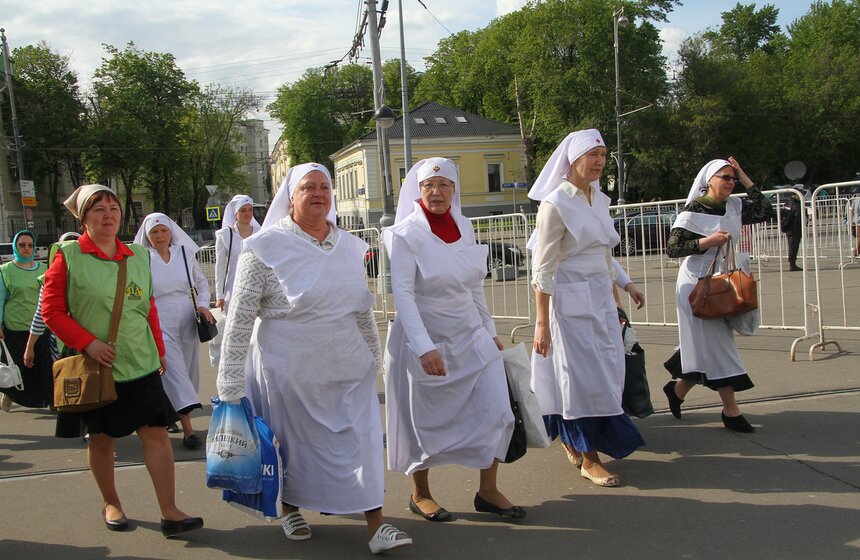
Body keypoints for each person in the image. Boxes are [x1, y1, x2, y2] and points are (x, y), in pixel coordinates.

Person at [216, 163, 411, 554]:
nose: (318, 194)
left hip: (348, 365)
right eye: (309, 187)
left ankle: (376, 525)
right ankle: (291, 508)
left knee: (365, 442)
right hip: (290, 369)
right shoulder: (264, 247)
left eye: (325, 187)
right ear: (291, 196)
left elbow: (361, 308)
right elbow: (239, 319)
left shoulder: (351, 245)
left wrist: (376, 357)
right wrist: (229, 383)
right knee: (295, 447)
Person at [42, 184, 203, 536]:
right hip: (98, 367)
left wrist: (159, 349)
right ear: (84, 218)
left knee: (157, 434)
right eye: (98, 209)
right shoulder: (68, 256)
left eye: (113, 208)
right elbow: (51, 312)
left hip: (141, 362)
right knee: (102, 439)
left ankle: (169, 511)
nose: (108, 214)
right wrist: (88, 344)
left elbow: (148, 308)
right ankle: (111, 502)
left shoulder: (137, 256)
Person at [384, 158, 524, 522]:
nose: (437, 192)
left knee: (497, 410)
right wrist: (424, 346)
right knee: (425, 420)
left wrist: (490, 331)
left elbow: (475, 284)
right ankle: (420, 493)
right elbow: (403, 294)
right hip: (426, 335)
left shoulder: (464, 224)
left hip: (470, 332)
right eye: (429, 186)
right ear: (418, 190)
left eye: (444, 185)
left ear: (454, 190)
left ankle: (488, 489)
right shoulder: (405, 233)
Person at [529, 129, 646, 488]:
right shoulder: (555, 204)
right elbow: (543, 270)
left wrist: (626, 284)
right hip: (567, 302)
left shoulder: (600, 199)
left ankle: (578, 441)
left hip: (600, 300)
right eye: (592, 155)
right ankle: (589, 457)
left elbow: (604, 253)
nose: (598, 162)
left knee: (608, 372)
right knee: (579, 379)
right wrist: (542, 324)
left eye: (603, 155)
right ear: (573, 160)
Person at [663, 158, 775, 433]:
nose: (730, 182)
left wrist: (745, 176)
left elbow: (765, 210)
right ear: (709, 180)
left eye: (732, 178)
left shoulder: (735, 205)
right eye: (724, 177)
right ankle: (731, 410)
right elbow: (674, 248)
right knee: (719, 344)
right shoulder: (695, 209)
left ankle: (677, 391)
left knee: (705, 346)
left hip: (726, 281)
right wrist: (707, 242)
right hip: (697, 286)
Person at [134, 213, 214, 450]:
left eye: (163, 231)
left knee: (189, 371)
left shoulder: (183, 253)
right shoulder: (143, 259)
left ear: (171, 232)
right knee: (174, 371)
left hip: (187, 317)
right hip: (158, 319)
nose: (159, 236)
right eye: (154, 232)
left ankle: (172, 414)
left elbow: (201, 283)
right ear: (147, 237)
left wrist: (202, 304)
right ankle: (189, 431)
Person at [0, 230, 50, 412]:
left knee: (43, 364)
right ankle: (10, 393)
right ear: (15, 247)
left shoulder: (45, 269)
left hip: (40, 325)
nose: (26, 248)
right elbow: (0, 299)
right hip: (15, 326)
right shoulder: (5, 271)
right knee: (18, 367)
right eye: (22, 245)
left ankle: (47, 399)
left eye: (30, 245)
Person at [210, 195, 260, 367]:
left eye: (250, 210)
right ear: (235, 213)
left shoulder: (260, 233)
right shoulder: (225, 235)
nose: (247, 213)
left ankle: (253, 369)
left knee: (255, 332)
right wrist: (219, 295)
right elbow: (220, 267)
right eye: (243, 210)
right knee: (236, 333)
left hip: (256, 287)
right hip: (234, 289)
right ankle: (237, 369)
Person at [780, 193, 804, 271]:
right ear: (797, 195)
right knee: (794, 247)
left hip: (788, 228)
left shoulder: (787, 203)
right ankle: (792, 264)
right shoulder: (797, 204)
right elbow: (798, 217)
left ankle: (792, 263)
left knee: (791, 246)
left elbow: (782, 213)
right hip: (795, 228)